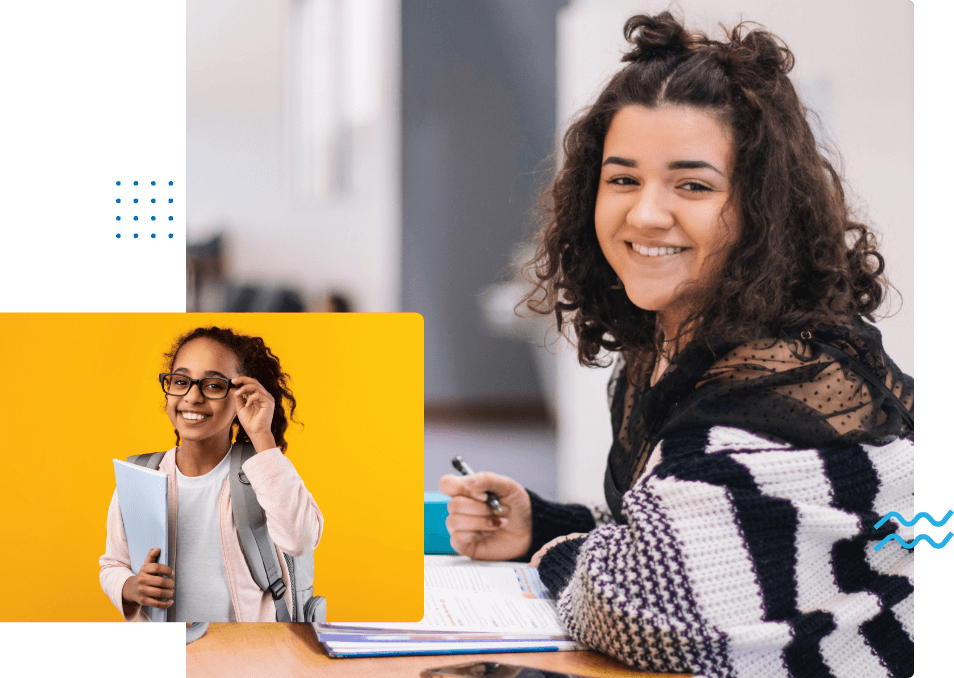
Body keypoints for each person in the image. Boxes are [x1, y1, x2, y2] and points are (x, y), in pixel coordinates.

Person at [439, 10, 913, 677]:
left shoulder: (773, 389)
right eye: (623, 179)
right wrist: (543, 523)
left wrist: (555, 551)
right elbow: (694, 518)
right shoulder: (669, 350)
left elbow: (637, 612)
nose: (646, 213)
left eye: (692, 185)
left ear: (760, 210)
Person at [99, 327, 323, 622]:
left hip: (250, 659)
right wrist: (131, 587)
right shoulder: (141, 477)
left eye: (214, 386)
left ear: (241, 397)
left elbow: (301, 539)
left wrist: (262, 437)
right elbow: (113, 565)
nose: (192, 396)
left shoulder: (264, 473)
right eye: (180, 381)